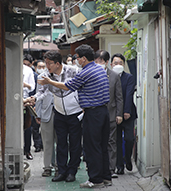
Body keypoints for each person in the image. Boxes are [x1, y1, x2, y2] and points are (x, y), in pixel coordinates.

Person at [37, 44, 111, 188]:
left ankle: (96, 180)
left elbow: (67, 86)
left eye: (77, 57)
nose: (76, 60)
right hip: (102, 111)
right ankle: (105, 177)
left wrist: (49, 81)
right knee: (102, 146)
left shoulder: (84, 72)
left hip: (91, 112)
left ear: (83, 59)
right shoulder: (99, 69)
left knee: (91, 147)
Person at [24, 50, 83, 183]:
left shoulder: (73, 71)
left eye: (49, 63)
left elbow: (76, 87)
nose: (47, 66)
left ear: (58, 63)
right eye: (45, 63)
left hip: (75, 112)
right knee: (61, 143)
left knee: (74, 144)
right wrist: (33, 98)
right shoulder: (46, 75)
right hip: (59, 112)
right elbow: (42, 92)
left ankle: (72, 171)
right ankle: (61, 171)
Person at [94, 50, 123, 178]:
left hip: (111, 114)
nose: (98, 63)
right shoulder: (92, 74)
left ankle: (111, 169)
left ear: (106, 62)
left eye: (100, 61)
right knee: (97, 141)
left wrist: (119, 114)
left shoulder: (114, 76)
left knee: (111, 142)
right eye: (96, 61)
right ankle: (98, 168)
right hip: (96, 114)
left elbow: (119, 97)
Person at [111, 53, 137, 174]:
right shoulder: (108, 77)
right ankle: (119, 166)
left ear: (124, 64)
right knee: (116, 141)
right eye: (115, 63)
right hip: (114, 114)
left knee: (129, 139)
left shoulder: (129, 77)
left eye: (120, 63)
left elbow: (128, 95)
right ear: (111, 64)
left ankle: (128, 158)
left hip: (128, 114)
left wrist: (126, 111)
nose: (118, 65)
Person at [35, 72, 57, 177]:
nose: (48, 65)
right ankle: (47, 167)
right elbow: (38, 95)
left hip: (61, 112)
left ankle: (59, 166)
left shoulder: (63, 75)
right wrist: (37, 114)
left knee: (61, 141)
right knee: (47, 142)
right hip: (46, 112)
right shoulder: (41, 77)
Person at [23, 55, 36, 160]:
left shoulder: (28, 71)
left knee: (27, 126)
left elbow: (32, 86)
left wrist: (25, 85)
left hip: (26, 101)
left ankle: (27, 150)